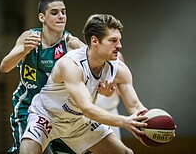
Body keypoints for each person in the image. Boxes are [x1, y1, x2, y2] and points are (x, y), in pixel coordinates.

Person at [19, 14, 148, 154]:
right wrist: (124, 122)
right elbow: (87, 108)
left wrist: (156, 125)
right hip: (47, 116)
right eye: (113, 40)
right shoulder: (70, 64)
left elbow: (135, 106)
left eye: (119, 40)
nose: (119, 45)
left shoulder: (119, 70)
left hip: (78, 121)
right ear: (94, 41)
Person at [0, 0, 85, 154]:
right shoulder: (29, 37)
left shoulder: (72, 44)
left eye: (63, 12)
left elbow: (95, 63)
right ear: (42, 17)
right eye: (54, 12)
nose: (61, 16)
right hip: (28, 106)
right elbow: (4, 67)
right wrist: (23, 51)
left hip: (58, 111)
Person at [96, 52, 125, 139]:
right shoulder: (86, 56)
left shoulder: (117, 56)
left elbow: (122, 89)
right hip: (90, 114)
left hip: (110, 112)